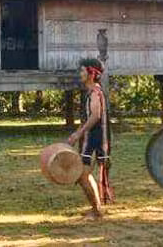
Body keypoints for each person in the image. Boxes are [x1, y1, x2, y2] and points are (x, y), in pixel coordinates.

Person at [67, 58, 113, 219]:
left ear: (92, 74)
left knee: (82, 175)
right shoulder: (91, 92)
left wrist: (78, 133)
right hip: (90, 139)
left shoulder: (95, 93)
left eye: (83, 71)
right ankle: (96, 208)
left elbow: (95, 116)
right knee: (83, 175)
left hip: (96, 139)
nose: (80, 73)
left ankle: (96, 211)